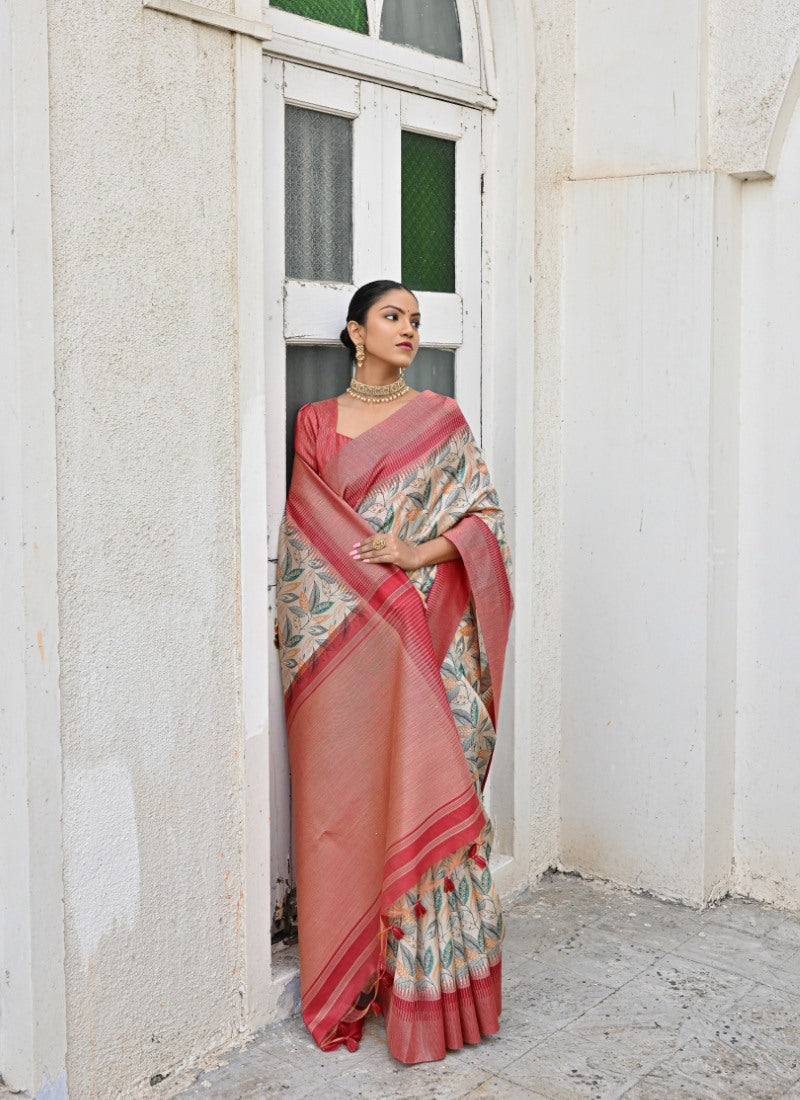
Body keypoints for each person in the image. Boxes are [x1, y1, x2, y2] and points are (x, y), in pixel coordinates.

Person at [276, 279, 513, 1065]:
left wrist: (417, 553)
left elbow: (484, 519)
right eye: (392, 317)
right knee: (356, 799)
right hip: (356, 649)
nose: (409, 328)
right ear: (354, 331)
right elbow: (308, 539)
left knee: (434, 792)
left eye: (416, 319)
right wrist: (379, 600)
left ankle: (442, 999)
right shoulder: (315, 424)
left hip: (434, 641)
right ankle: (364, 974)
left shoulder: (441, 420)